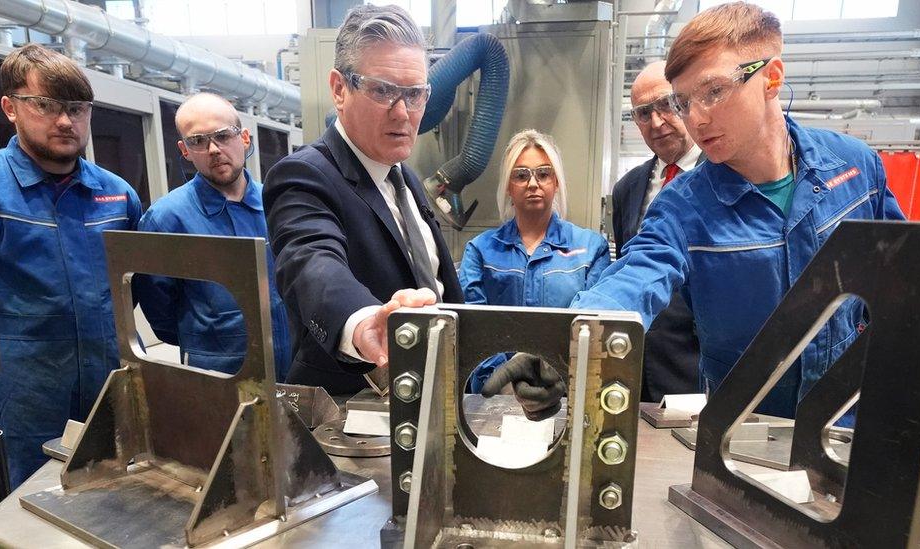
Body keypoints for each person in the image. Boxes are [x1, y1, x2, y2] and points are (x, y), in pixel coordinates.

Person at [572, 1, 905, 419]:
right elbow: (635, 276)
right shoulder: (682, 207)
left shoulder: (854, 167)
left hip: (850, 423)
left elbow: (901, 281)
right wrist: (569, 336)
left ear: (772, 77)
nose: (696, 118)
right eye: (683, 102)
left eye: (714, 91)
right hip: (740, 438)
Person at [0, 44, 141, 485]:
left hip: (110, 385)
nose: (64, 121)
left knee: (122, 495)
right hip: (28, 393)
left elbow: (135, 288)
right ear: (10, 108)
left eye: (77, 108)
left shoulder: (117, 195)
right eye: (45, 106)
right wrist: (19, 348)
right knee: (31, 503)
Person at [263, 5, 462, 394]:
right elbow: (312, 263)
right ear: (339, 89)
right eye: (383, 91)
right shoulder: (304, 175)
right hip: (349, 414)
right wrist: (363, 320)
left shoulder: (404, 180)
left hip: (424, 395)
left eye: (416, 94)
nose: (403, 113)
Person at [132, 93, 292, 379]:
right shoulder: (168, 219)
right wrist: (210, 338)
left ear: (244, 138)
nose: (214, 149)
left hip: (292, 367)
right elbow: (159, 311)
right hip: (218, 377)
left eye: (223, 135)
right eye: (198, 141)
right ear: (184, 150)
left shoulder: (278, 204)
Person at [458, 129, 610, 413]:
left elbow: (594, 328)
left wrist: (561, 379)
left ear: (556, 182)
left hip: (568, 398)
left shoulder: (590, 248)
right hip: (494, 400)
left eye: (543, 173)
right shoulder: (480, 250)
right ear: (507, 186)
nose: (533, 183)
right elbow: (471, 328)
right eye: (521, 175)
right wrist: (501, 384)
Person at [613, 61, 702, 403]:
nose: (657, 122)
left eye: (666, 105)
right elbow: (632, 270)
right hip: (639, 370)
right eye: (643, 113)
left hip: (699, 371)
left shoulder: (722, 175)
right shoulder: (628, 188)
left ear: (684, 102)